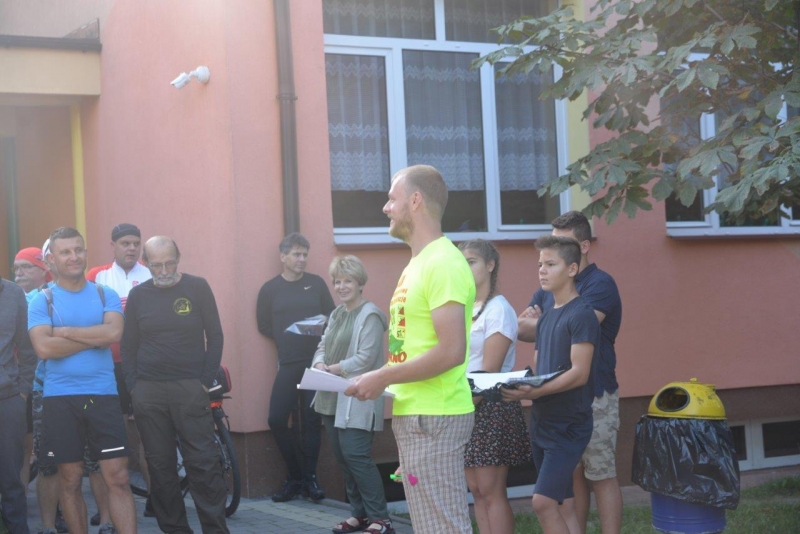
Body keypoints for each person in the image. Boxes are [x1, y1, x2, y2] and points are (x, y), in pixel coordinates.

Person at [346, 165, 476, 533]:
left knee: (444, 528)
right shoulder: (418, 263)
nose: (386, 208)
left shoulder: (443, 262)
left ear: (415, 200)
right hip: (418, 416)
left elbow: (451, 351)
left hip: (434, 416)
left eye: (392, 199)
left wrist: (382, 376)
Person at [518, 211, 623, 534]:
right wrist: (540, 323)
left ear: (583, 248)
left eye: (562, 245)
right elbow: (523, 328)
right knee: (569, 480)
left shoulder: (600, 284)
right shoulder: (551, 286)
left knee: (600, 474)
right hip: (555, 402)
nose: (546, 263)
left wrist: (539, 322)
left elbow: (573, 328)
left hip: (595, 394)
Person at [28, 227, 136, 534]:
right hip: (59, 399)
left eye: (78, 249)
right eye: (65, 252)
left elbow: (113, 333)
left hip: (104, 396)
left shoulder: (105, 294)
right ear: (51, 259)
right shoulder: (42, 301)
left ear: (86, 252)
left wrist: (64, 332)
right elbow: (44, 348)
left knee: (119, 477)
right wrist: (94, 338)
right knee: (70, 479)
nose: (74, 257)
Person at [120, 236, 229, 534]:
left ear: (178, 257)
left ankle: (215, 529)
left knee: (203, 464)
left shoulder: (198, 287)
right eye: (157, 265)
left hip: (190, 389)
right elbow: (128, 345)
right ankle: (175, 529)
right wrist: (134, 387)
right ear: (146, 263)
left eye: (169, 263)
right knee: (160, 468)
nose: (164, 271)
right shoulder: (139, 295)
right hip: (149, 391)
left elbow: (215, 336)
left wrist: (203, 382)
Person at [502, 235, 598, 534]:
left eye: (551, 264)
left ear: (572, 269)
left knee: (542, 503)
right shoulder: (546, 318)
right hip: (542, 421)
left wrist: (537, 391)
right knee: (563, 504)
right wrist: (518, 384)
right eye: (540, 264)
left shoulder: (582, 314)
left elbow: (579, 373)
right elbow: (540, 369)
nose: (542, 270)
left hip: (569, 425)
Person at [310, 255, 393, 534]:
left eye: (348, 281)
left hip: (358, 396)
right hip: (331, 394)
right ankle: (359, 515)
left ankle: (381, 519)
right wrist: (319, 364)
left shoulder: (370, 315)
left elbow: (366, 358)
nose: (341, 286)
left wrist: (331, 369)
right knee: (344, 460)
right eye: (337, 281)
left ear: (360, 283)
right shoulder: (337, 313)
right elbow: (322, 345)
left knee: (357, 456)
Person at [458, 239, 531, 534]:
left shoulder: (498, 308)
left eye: (472, 261)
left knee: (491, 489)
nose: (466, 268)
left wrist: (462, 408)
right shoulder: (464, 308)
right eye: (462, 262)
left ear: (490, 265)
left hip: (490, 405)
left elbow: (489, 370)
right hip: (464, 403)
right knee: (475, 490)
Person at [256, 233, 335, 502]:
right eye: (296, 254)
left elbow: (332, 316)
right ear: (283, 257)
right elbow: (263, 325)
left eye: (305, 255)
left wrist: (315, 325)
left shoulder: (316, 284)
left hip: (315, 362)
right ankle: (295, 476)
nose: (302, 259)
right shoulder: (270, 289)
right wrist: (287, 336)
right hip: (289, 362)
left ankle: (310, 480)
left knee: (312, 420)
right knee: (277, 419)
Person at [86, 223, 154, 519]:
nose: (132, 248)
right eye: (125, 243)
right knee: (109, 436)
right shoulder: (97, 275)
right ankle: (109, 507)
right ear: (113, 245)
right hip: (107, 365)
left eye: (136, 243)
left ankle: (156, 499)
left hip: (142, 365)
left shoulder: (150, 274)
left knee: (149, 434)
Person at [12, 247, 52, 496]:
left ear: (43, 269)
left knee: (39, 448)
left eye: (26, 266)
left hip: (45, 384)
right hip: (15, 384)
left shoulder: (51, 296)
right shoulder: (9, 297)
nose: (19, 272)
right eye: (16, 268)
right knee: (18, 446)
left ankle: (38, 503)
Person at [0, 272, 37, 534]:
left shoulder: (13, 294)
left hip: (7, 398)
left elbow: (27, 349)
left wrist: (22, 392)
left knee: (11, 479)